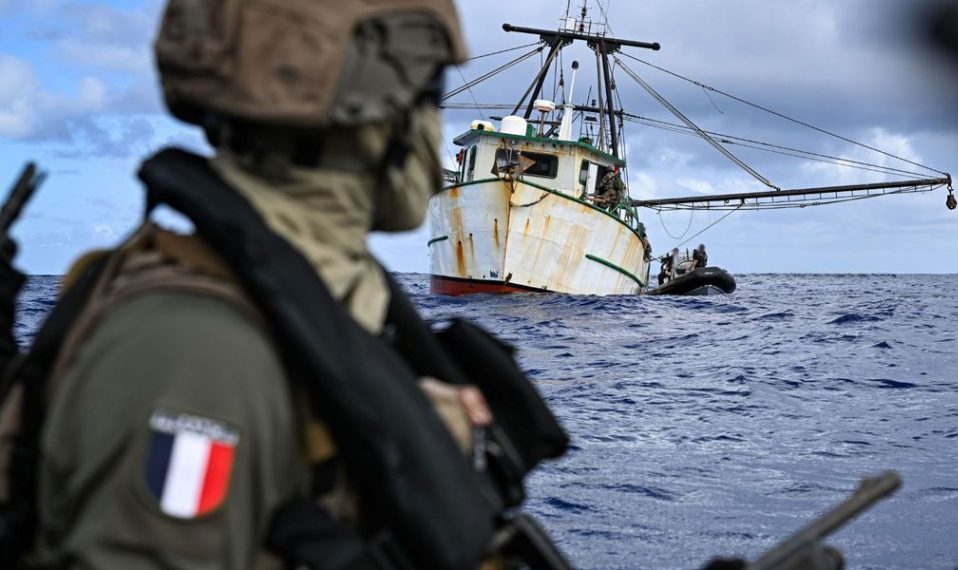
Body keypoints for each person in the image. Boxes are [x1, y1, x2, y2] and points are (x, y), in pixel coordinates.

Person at [0, 2, 572, 569]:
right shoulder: (197, 355)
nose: (432, 133)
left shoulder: (330, 304)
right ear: (373, 118)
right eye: (427, 97)